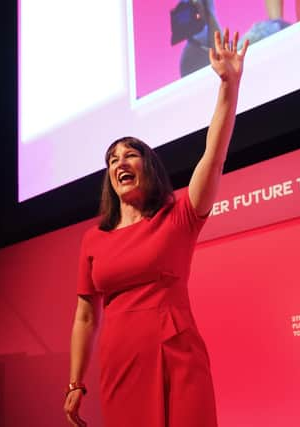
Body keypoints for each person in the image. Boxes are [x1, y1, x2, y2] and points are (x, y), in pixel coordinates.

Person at [64, 28, 249, 427]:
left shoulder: (178, 215)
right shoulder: (94, 239)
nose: (120, 162)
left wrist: (228, 88)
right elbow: (85, 317)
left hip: (176, 353)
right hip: (121, 362)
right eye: (112, 159)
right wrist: (75, 383)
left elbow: (213, 157)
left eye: (131, 155)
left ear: (148, 168)